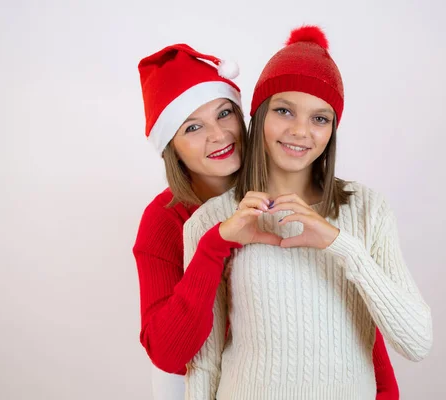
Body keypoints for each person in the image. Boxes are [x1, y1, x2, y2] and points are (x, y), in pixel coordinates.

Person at [183, 26, 431, 400]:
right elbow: (204, 362)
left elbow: (417, 342)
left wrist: (341, 245)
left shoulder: (367, 211)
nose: (300, 131)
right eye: (284, 110)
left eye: (319, 118)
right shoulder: (212, 221)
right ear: (260, 115)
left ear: (332, 129)